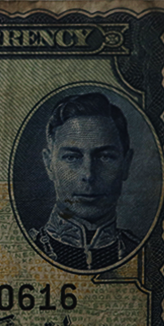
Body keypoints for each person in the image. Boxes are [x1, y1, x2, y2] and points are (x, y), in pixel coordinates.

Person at [29, 92, 138, 270]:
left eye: (105, 157)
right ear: (49, 165)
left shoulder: (144, 252)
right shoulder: (24, 248)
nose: (88, 174)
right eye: (72, 157)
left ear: (126, 164)